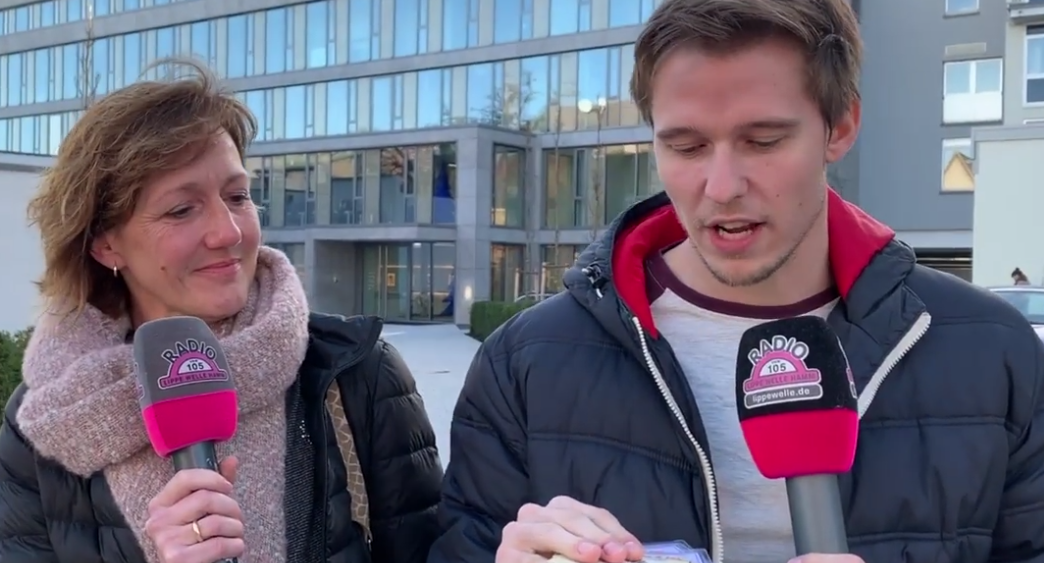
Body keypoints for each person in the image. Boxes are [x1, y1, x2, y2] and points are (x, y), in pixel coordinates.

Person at [428, 1, 1044, 562]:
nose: (721, 187)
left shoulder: (996, 356)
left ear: (841, 127)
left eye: (763, 140)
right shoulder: (524, 362)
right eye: (687, 146)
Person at [0, 60, 443, 563]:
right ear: (105, 246)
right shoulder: (50, 418)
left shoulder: (357, 373)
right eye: (181, 209)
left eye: (237, 196)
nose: (228, 232)